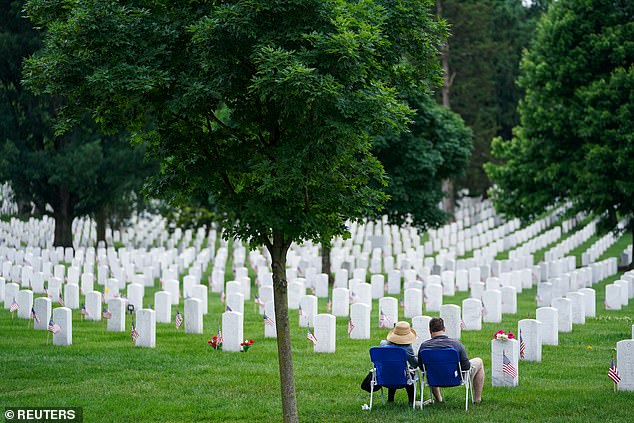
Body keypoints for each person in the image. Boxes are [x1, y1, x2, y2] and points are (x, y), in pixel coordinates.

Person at [419, 317, 484, 404]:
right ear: (444, 329)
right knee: (479, 361)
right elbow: (466, 366)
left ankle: (438, 399)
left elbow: (422, 368)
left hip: (434, 378)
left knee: (431, 368)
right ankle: (477, 399)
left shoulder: (424, 346)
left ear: (430, 330)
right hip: (455, 377)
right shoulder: (456, 344)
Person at [379, 321, 419, 406]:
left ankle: (390, 400)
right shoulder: (407, 348)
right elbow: (414, 364)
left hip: (385, 377)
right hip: (402, 377)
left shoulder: (383, 344)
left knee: (391, 368)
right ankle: (411, 401)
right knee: (409, 373)